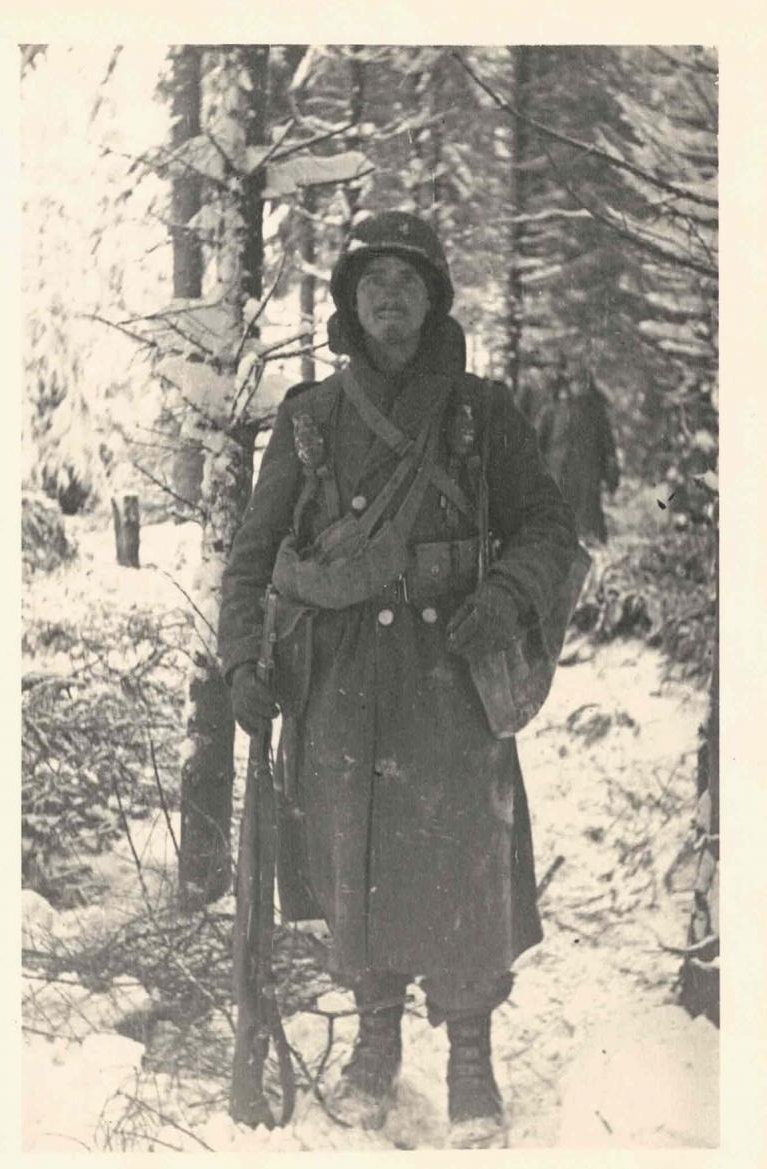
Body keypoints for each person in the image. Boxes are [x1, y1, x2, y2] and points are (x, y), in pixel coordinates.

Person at [218, 211, 580, 1148]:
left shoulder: (482, 413)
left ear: (433, 301)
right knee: (356, 855)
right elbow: (252, 560)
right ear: (349, 299)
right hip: (341, 681)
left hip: (450, 675)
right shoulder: (306, 420)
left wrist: (505, 595)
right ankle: (374, 1043)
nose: (389, 294)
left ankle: (470, 1058)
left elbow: (551, 531)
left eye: (407, 281)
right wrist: (240, 662)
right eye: (372, 278)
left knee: (463, 858)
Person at [537, 357, 620, 543]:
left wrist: (612, 475)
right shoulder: (552, 411)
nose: (579, 387)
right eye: (575, 382)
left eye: (583, 382)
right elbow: (536, 446)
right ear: (567, 384)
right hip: (558, 477)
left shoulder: (597, 413)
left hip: (587, 480)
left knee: (587, 528)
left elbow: (608, 448)